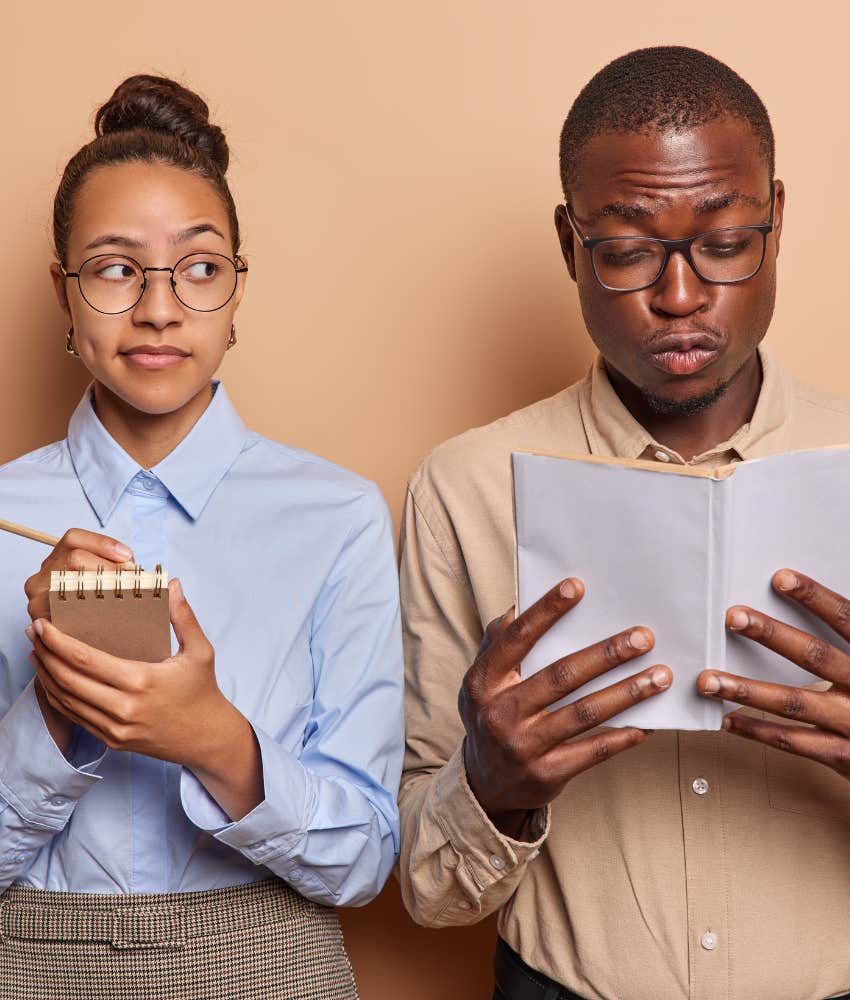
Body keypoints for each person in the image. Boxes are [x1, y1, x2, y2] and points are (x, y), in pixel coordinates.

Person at [397, 46, 850, 1000]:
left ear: (778, 220)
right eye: (627, 251)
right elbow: (429, 891)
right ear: (570, 245)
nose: (679, 297)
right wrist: (492, 788)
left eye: (725, 242)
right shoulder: (467, 486)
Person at [0, 75, 403, 1000]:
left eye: (199, 266)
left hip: (271, 963)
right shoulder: (5, 517)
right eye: (112, 268)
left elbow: (366, 859)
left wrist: (218, 740)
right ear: (62, 293)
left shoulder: (337, 515)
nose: (157, 308)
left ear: (235, 290)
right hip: (29, 964)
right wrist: (58, 711)